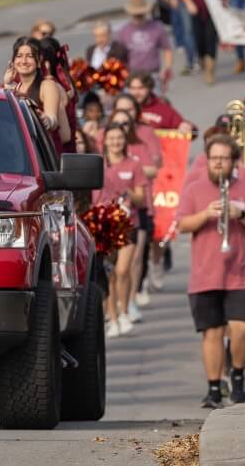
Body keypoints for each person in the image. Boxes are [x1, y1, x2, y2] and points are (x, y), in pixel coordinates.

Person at [175, 134, 245, 408]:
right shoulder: (194, 189)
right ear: (207, 160)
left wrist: (240, 215)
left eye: (224, 159)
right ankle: (214, 387)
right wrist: (206, 214)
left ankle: (237, 376)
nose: (218, 163)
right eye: (214, 158)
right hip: (205, 275)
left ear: (233, 161)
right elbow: (181, 224)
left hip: (240, 272)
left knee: (241, 329)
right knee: (213, 333)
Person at [97, 123, 144, 338]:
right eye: (112, 138)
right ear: (105, 140)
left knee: (122, 270)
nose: (116, 142)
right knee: (110, 275)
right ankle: (113, 318)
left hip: (128, 224)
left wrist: (129, 194)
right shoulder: (98, 165)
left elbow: (142, 199)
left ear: (125, 141)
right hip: (105, 225)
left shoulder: (133, 165)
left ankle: (124, 310)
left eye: (119, 138)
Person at [4, 37, 70, 153]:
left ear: (39, 61)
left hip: (44, 155)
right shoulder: (16, 87)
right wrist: (8, 84)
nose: (23, 61)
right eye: (19, 56)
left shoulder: (47, 86)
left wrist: (46, 120)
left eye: (29, 56)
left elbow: (52, 119)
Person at [181, 0, 229, 84]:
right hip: (197, 10)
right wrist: (190, 4)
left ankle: (210, 71)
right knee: (198, 39)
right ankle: (202, 58)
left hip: (213, 12)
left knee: (211, 39)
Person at [114, 0, 174, 86]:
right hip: (132, 76)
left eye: (140, 14)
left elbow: (167, 49)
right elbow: (119, 57)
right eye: (136, 15)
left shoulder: (156, 27)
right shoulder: (123, 31)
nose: (138, 17)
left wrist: (167, 68)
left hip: (152, 75)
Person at [126, 72, 193, 133]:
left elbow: (193, 133)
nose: (136, 92)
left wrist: (188, 128)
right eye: (132, 88)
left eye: (141, 88)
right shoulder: (123, 107)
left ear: (150, 88)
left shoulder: (164, 109)